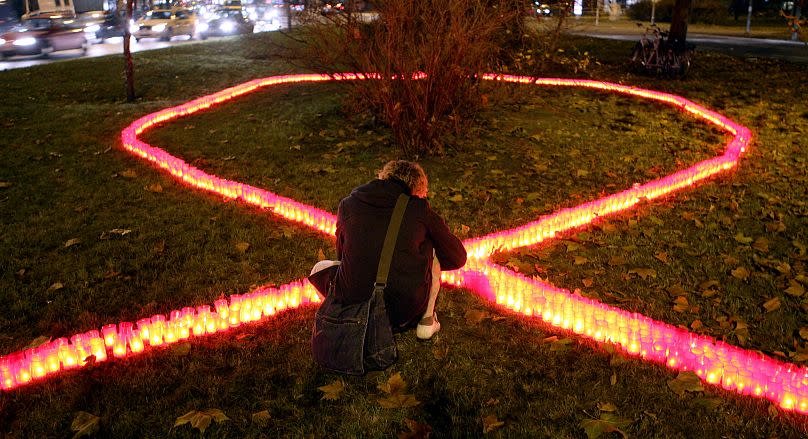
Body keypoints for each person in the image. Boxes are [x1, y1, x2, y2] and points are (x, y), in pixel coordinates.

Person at [310, 160, 466, 340]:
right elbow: (458, 257)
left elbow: (342, 254)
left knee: (319, 269)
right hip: (402, 311)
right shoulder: (418, 208)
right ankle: (426, 321)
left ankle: (346, 316)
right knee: (431, 245)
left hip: (353, 300)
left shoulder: (348, 204)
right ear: (417, 190)